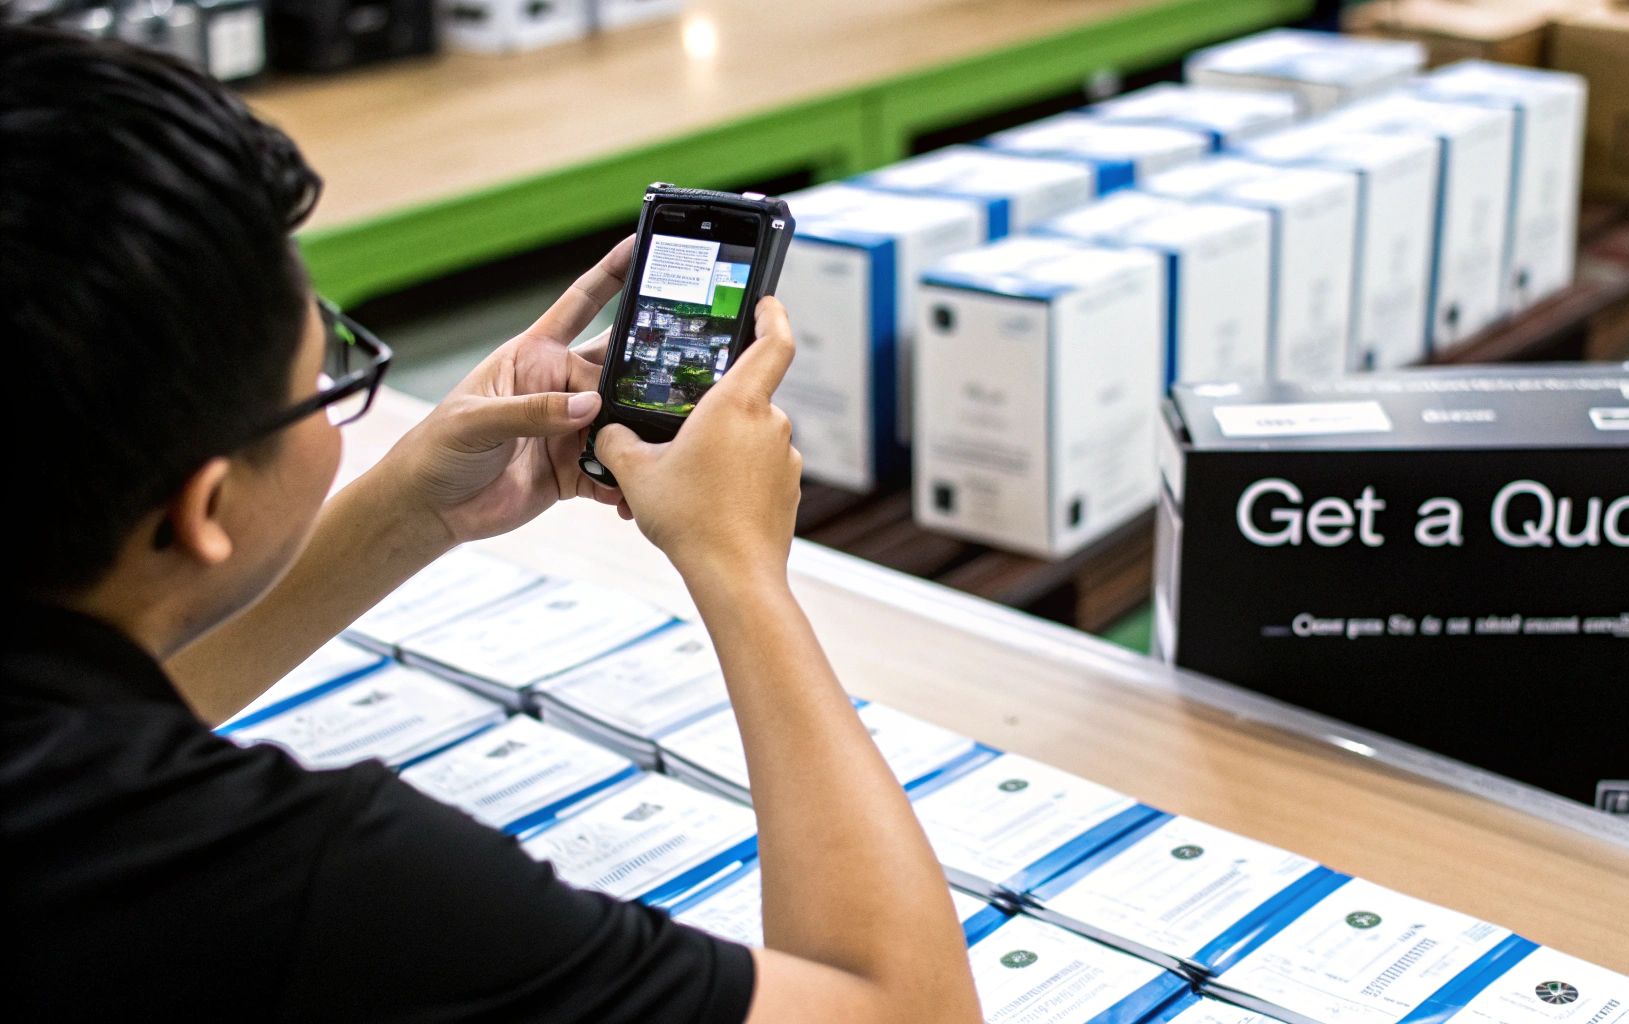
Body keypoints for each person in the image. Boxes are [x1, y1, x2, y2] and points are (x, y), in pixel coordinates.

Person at [1, 27, 982, 1023]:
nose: (338, 387)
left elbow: (102, 718)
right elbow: (910, 1009)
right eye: (329, 380)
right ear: (204, 507)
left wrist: (415, 508)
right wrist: (739, 565)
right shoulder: (313, 877)